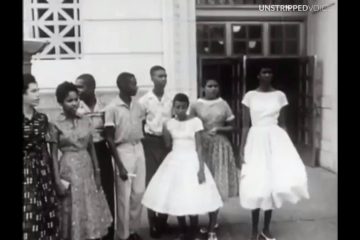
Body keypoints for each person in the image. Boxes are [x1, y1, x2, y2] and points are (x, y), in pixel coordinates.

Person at [239, 67, 309, 240]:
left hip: (275, 139)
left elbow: (283, 123)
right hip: (256, 139)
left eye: (270, 72)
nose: (267, 75)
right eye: (263, 72)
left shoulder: (280, 95)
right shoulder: (249, 96)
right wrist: (241, 147)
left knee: (272, 183)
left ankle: (266, 229)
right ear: (258, 75)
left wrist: (288, 146)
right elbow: (245, 125)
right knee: (256, 181)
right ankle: (254, 229)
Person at [142, 93, 223, 240]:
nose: (180, 110)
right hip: (175, 160)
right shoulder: (169, 123)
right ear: (173, 107)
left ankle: (193, 230)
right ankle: (183, 229)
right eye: (177, 107)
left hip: (191, 159)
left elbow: (199, 146)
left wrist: (200, 169)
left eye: (183, 107)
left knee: (193, 194)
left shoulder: (195, 122)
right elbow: (167, 144)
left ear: (187, 107)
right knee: (176, 195)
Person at [49, 81, 112, 240]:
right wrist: (57, 181)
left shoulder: (86, 120)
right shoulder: (55, 125)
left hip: (87, 169)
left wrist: (97, 172)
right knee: (72, 209)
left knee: (90, 207)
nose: (74, 103)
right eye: (69, 101)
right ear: (60, 103)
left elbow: (91, 148)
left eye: (76, 99)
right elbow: (53, 155)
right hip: (69, 170)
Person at [190, 79, 239, 238]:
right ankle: (196, 225)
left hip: (219, 146)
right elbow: (188, 125)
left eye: (216, 86)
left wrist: (219, 128)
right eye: (209, 86)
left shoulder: (223, 104)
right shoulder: (196, 104)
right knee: (200, 184)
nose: (213, 89)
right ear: (203, 88)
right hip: (201, 146)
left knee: (216, 185)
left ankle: (212, 224)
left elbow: (233, 126)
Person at [104, 72, 146, 240]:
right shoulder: (112, 107)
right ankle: (123, 234)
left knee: (139, 192)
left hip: (138, 148)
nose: (136, 87)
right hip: (123, 150)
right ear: (121, 86)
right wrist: (119, 164)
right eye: (132, 84)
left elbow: (142, 125)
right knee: (124, 195)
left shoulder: (138, 106)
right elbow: (109, 137)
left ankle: (134, 230)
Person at [75, 74, 114, 240]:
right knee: (89, 191)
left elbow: (110, 131)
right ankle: (92, 233)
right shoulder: (76, 107)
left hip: (101, 150)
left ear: (92, 87)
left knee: (106, 188)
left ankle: (109, 233)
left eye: (80, 87)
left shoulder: (104, 105)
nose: (77, 90)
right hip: (84, 152)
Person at [23, 74, 59, 240]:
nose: (38, 94)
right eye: (33, 91)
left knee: (46, 212)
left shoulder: (42, 118)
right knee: (28, 213)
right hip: (25, 173)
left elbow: (45, 148)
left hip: (42, 171)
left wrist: (51, 173)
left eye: (38, 90)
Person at [138, 66, 172, 238]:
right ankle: (152, 222)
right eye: (160, 76)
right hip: (150, 142)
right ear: (152, 78)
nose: (163, 79)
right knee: (151, 181)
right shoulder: (145, 100)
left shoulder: (170, 99)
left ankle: (163, 220)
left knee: (166, 181)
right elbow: (139, 121)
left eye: (165, 76)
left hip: (167, 143)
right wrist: (145, 140)